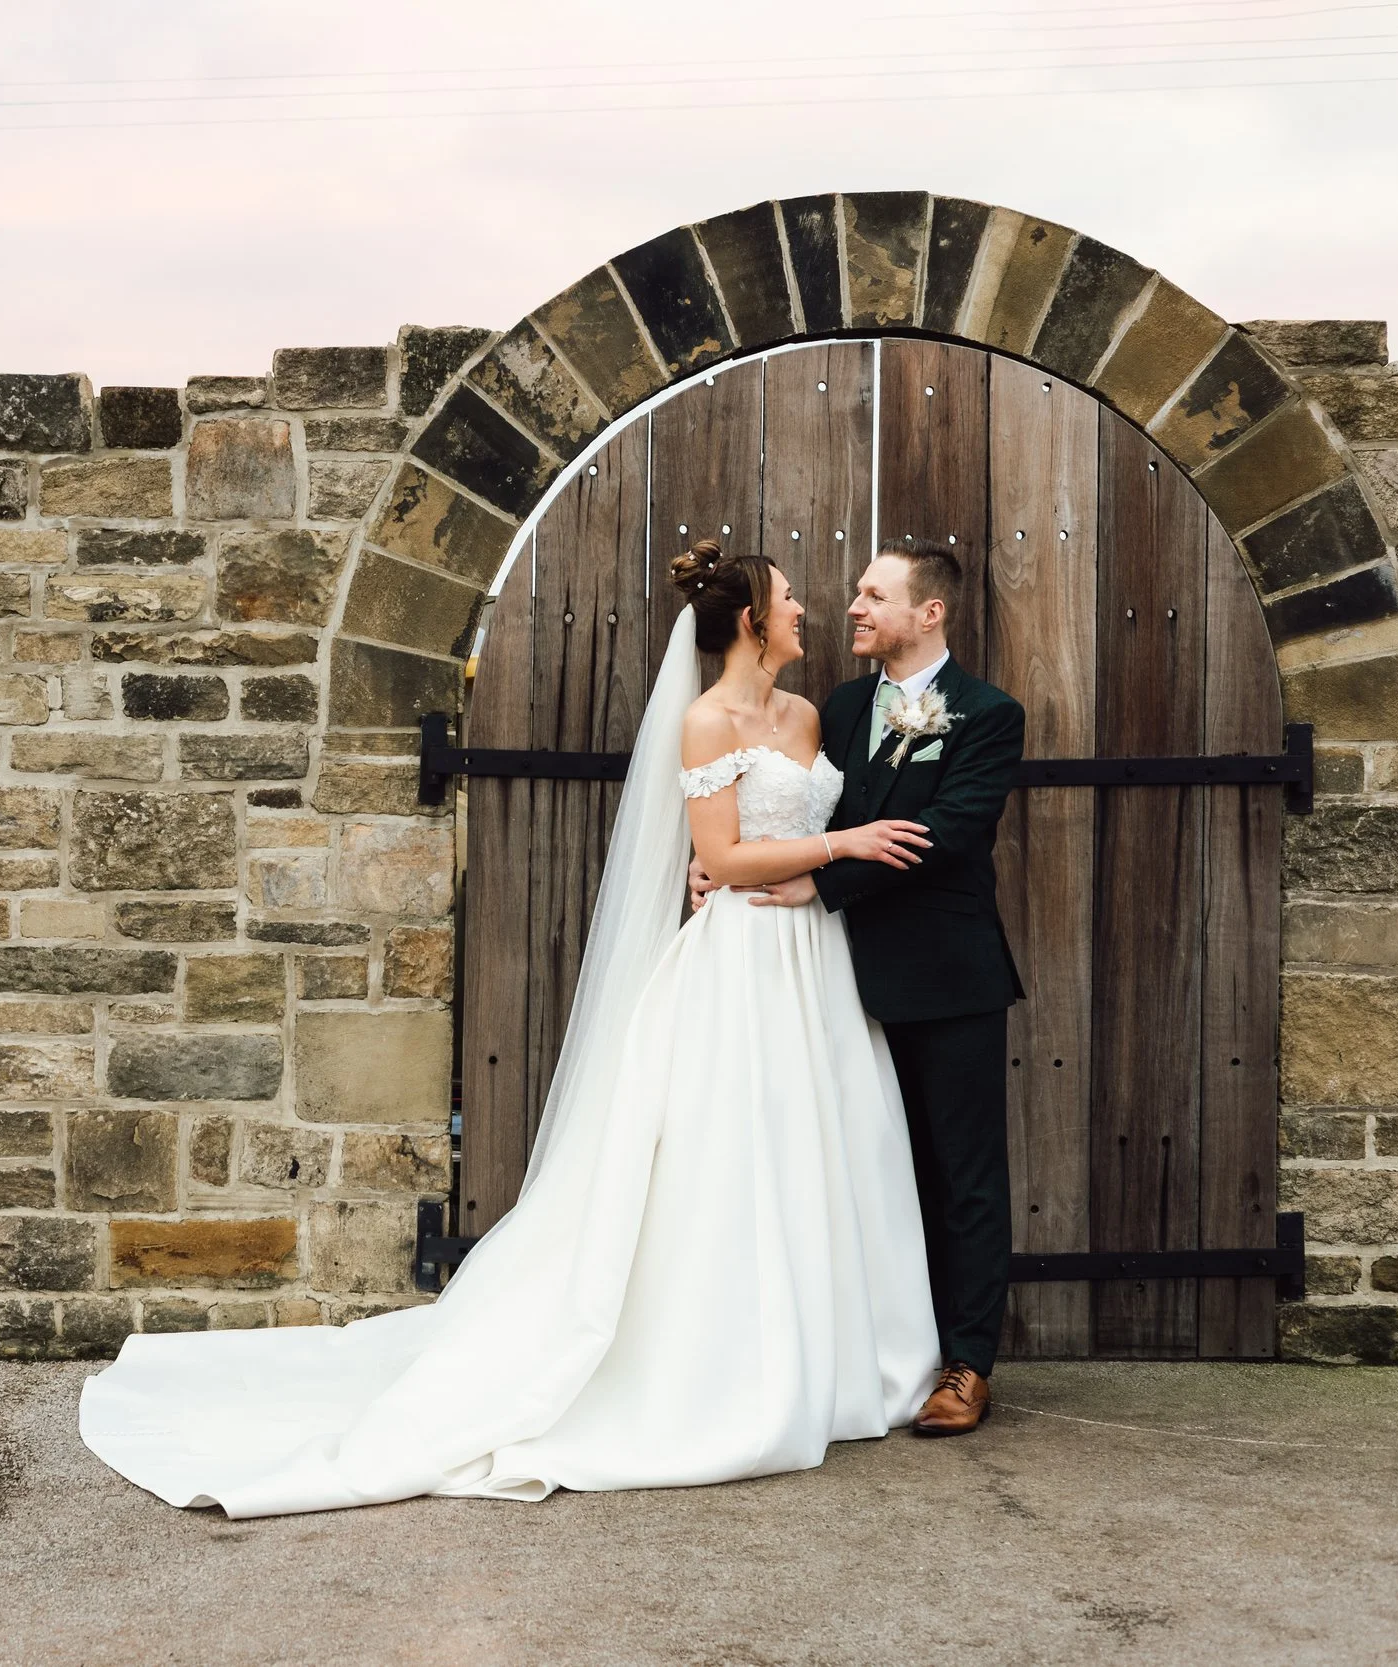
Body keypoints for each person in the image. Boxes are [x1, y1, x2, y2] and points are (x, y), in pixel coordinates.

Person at [78, 539, 944, 1518]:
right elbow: (721, 854)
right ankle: (733, 1367)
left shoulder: (809, 712)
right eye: (789, 600)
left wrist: (817, 865)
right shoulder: (705, 723)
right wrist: (837, 844)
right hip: (742, 964)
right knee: (728, 1155)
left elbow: (781, 836)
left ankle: (832, 1357)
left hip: (812, 963)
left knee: (818, 1146)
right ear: (749, 620)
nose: (805, 613)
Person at [695, 539, 1026, 1435]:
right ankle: (873, 1350)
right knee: (866, 1173)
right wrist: (714, 865)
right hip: (832, 983)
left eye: (874, 595)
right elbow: (796, 808)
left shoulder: (989, 715)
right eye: (852, 592)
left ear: (930, 612)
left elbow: (946, 833)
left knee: (963, 1176)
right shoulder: (835, 709)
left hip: (947, 974)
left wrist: (822, 881)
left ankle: (965, 1364)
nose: (852, 607)